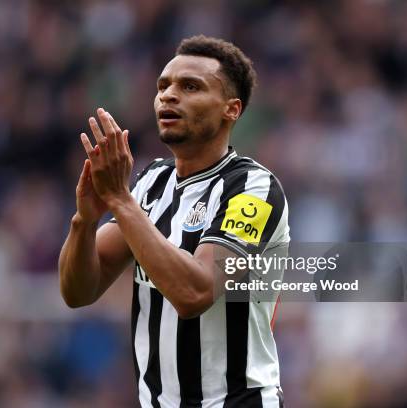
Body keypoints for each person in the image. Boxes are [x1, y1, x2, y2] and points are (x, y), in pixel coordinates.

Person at [59, 35, 289, 408]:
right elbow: (78, 292)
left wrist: (120, 200)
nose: (168, 95)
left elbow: (194, 293)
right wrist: (83, 221)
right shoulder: (152, 183)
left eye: (190, 87)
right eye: (163, 86)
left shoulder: (253, 189)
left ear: (231, 109)